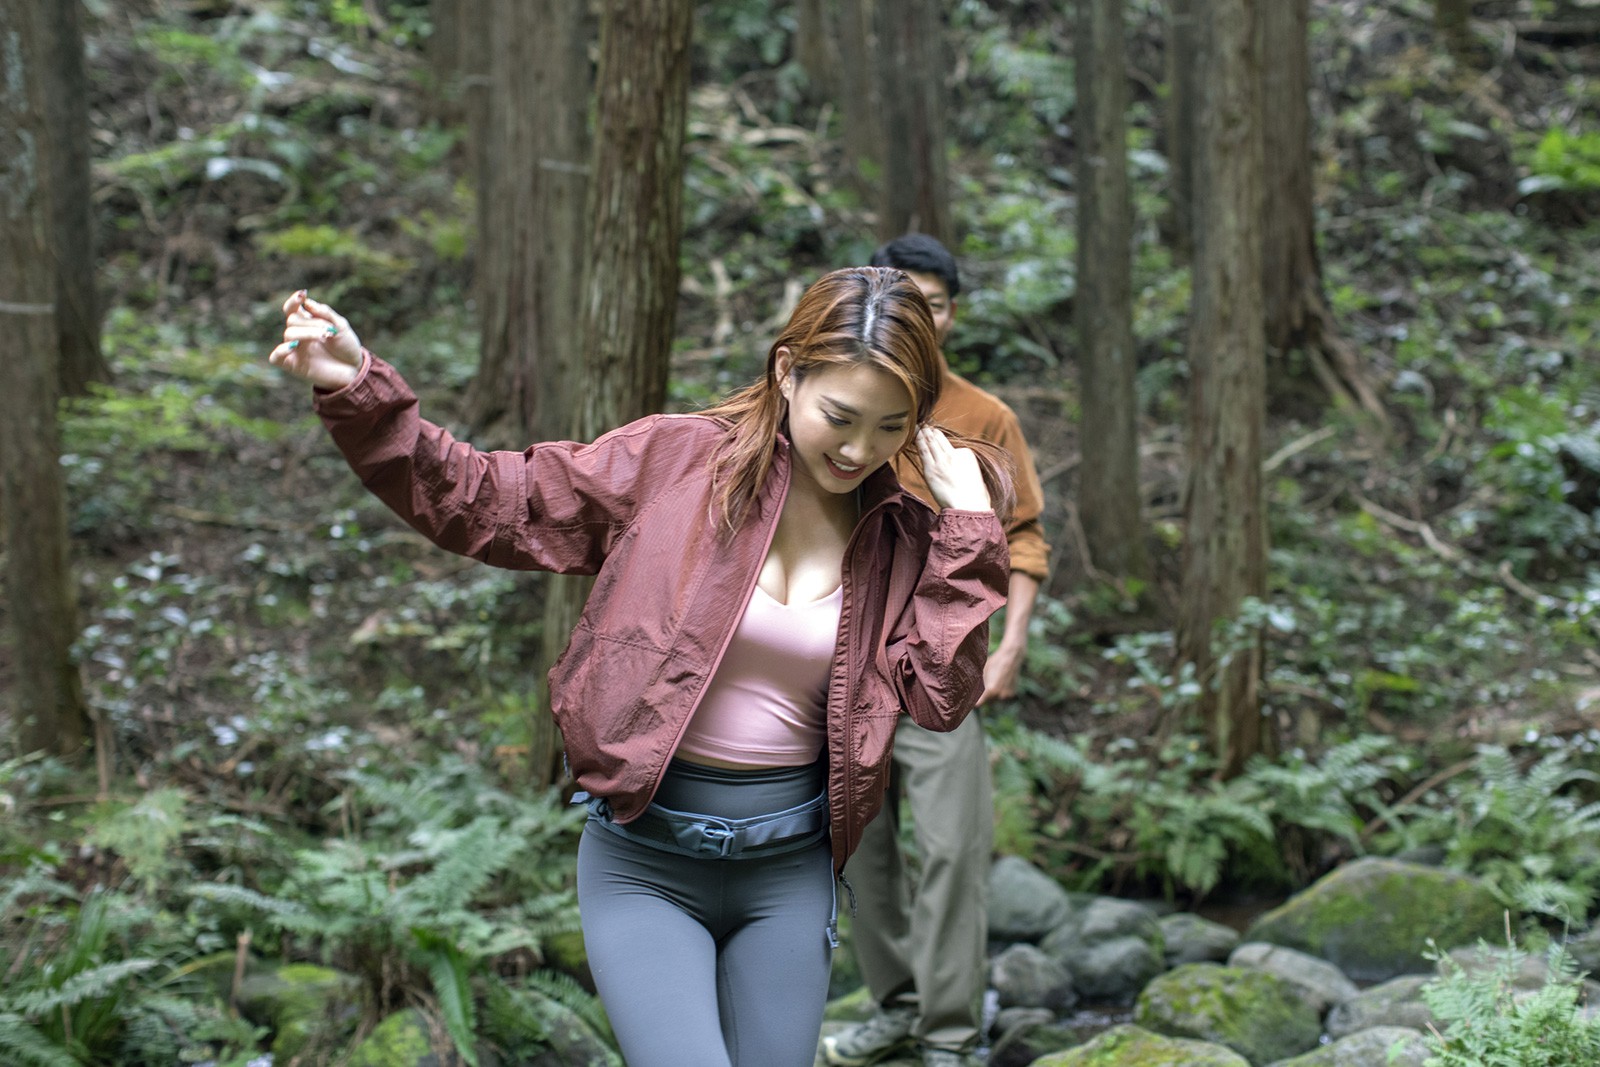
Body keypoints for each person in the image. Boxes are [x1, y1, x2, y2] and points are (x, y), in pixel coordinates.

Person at [266, 267, 1014, 1067]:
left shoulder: (903, 535)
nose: (861, 450)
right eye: (841, 416)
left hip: (789, 873)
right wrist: (359, 389)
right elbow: (487, 501)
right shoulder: (674, 466)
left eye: (892, 427)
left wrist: (968, 529)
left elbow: (938, 699)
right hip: (646, 863)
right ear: (788, 370)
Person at [823, 235, 1051, 1067]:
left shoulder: (986, 418)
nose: (926, 315)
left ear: (953, 314)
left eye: (939, 301)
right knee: (861, 847)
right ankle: (896, 1004)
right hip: (843, 663)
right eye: (907, 298)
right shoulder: (835, 399)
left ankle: (951, 1034)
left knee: (955, 845)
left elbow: (1022, 535)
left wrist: (1012, 640)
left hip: (941, 666)